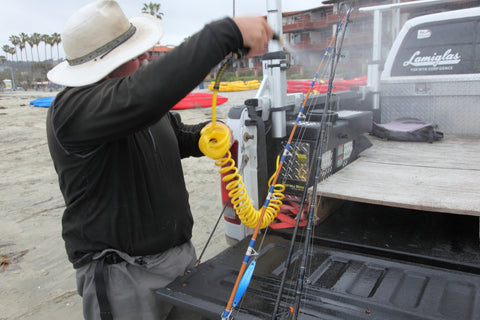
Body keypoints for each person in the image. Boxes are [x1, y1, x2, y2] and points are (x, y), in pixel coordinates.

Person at [45, 0, 274, 319]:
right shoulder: (72, 111)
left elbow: (173, 134)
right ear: (103, 64)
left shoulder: (133, 104)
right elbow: (143, 96)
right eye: (132, 54)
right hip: (124, 276)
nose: (143, 57)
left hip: (178, 259)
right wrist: (226, 33)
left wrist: (206, 136)